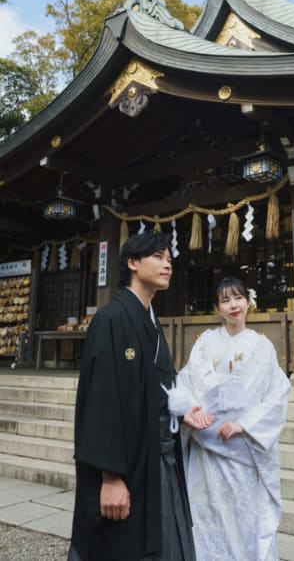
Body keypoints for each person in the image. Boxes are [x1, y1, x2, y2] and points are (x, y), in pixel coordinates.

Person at [69, 231, 201, 560]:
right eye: (157, 256)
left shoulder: (150, 321)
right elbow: (102, 400)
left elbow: (155, 386)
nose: (167, 265)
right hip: (127, 462)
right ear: (132, 262)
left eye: (169, 259)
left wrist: (180, 410)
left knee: (163, 542)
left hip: (157, 457)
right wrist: (110, 476)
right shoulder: (111, 318)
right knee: (125, 546)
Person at [166, 277, 291, 560]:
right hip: (206, 445)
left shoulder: (262, 347)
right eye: (225, 300)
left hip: (241, 447)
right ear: (217, 308)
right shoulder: (205, 342)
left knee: (243, 514)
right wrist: (191, 410)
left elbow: (276, 396)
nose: (233, 305)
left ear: (248, 302)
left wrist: (244, 424)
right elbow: (185, 381)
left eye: (238, 298)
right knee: (206, 512)